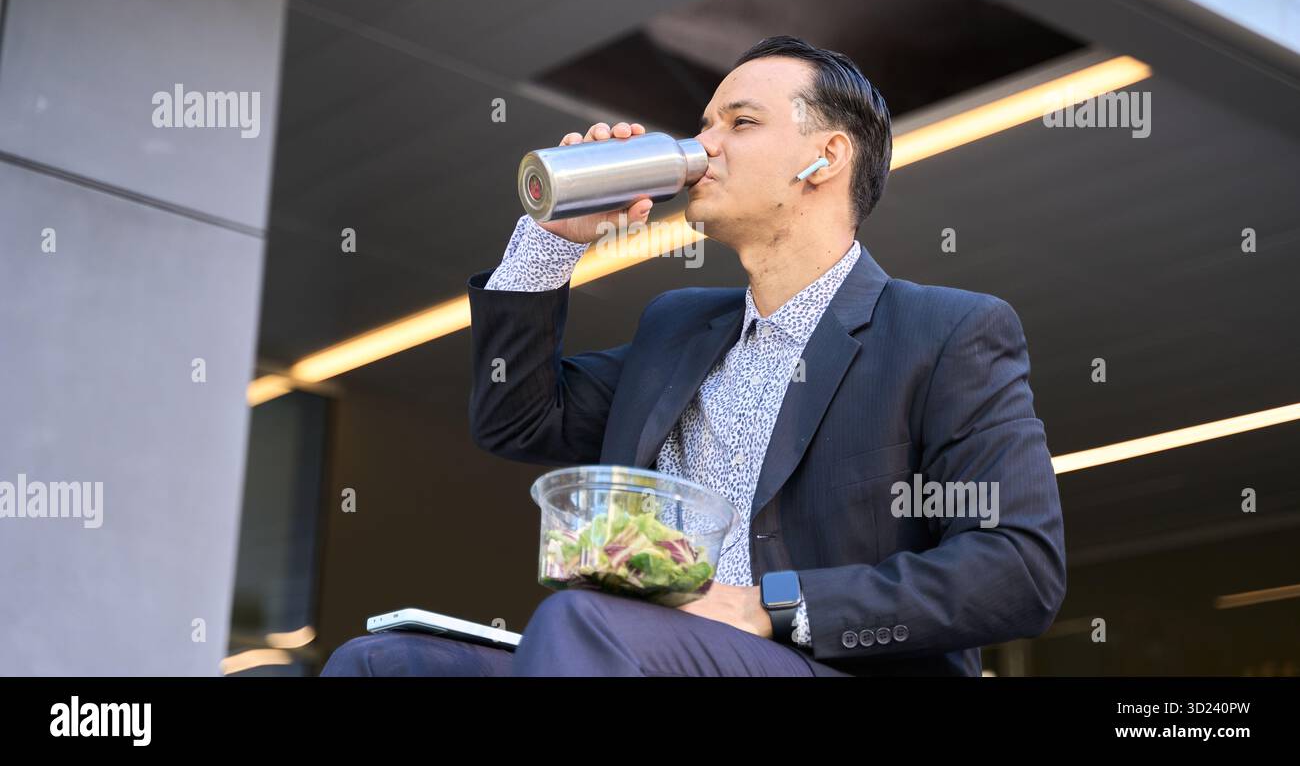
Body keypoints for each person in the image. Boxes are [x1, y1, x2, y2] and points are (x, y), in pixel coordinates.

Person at [321, 35, 1066, 677]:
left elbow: (1018, 571)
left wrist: (769, 606)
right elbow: (515, 421)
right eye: (705, 124)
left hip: (823, 663)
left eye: (741, 122)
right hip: (633, 649)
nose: (706, 146)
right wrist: (551, 244)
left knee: (583, 621)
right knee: (382, 663)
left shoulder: (944, 331)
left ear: (826, 158)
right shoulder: (678, 329)